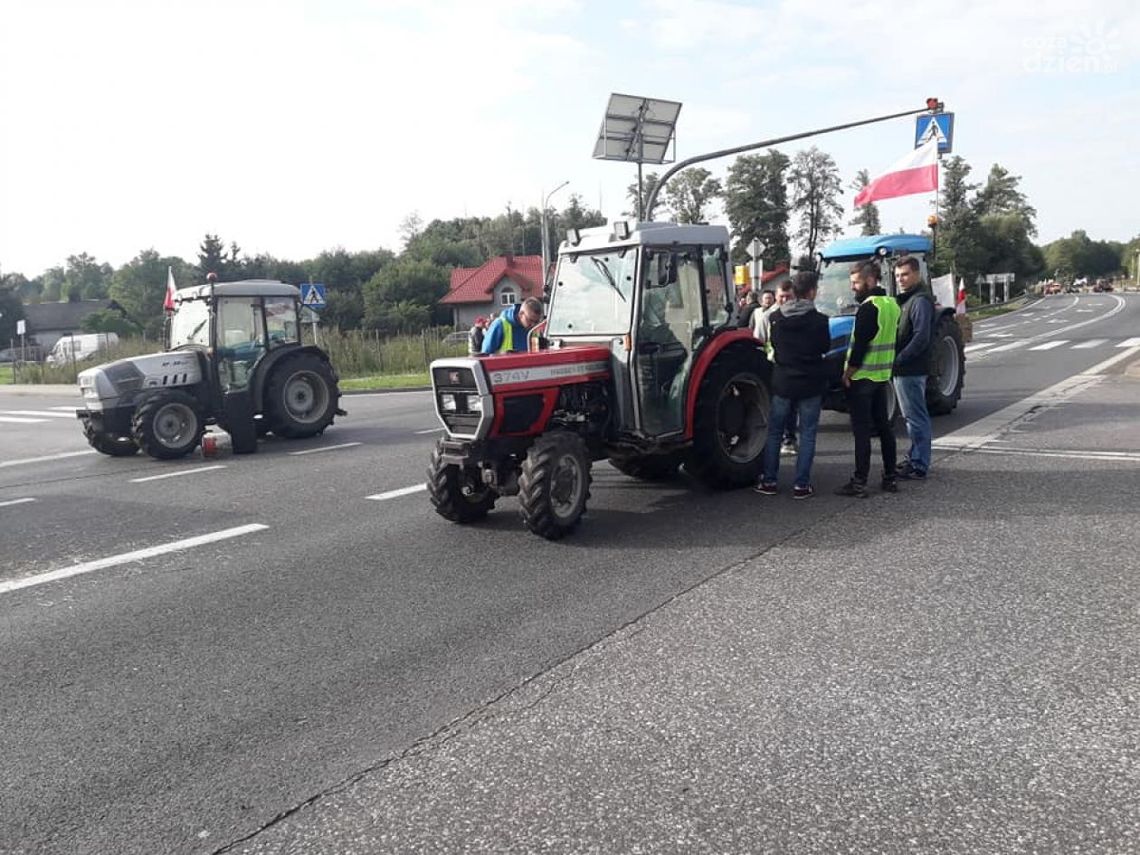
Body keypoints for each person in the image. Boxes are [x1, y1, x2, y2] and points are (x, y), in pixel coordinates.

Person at [754, 271, 831, 499]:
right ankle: (801, 485)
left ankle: (769, 481)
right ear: (811, 292)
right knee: (807, 433)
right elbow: (824, 347)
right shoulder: (820, 320)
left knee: (775, 432)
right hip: (810, 382)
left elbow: (774, 346)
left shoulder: (775, 318)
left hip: (783, 382)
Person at [836, 261, 901, 498]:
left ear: (870, 280)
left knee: (862, 432)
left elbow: (860, 346)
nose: (853, 287)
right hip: (882, 376)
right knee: (884, 427)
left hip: (862, 377)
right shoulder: (892, 305)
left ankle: (859, 481)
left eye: (856, 282)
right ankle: (890, 476)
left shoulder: (868, 307)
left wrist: (847, 374)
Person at [892, 256, 934, 480]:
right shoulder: (906, 299)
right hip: (905, 369)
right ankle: (914, 457)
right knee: (911, 417)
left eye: (905, 274)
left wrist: (899, 359)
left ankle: (919, 464)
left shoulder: (919, 301)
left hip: (911, 369)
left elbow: (921, 337)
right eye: (898, 275)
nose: (901, 279)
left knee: (916, 417)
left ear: (917, 274)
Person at [752, 280, 798, 454]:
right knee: (775, 406)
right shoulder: (767, 317)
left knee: (791, 407)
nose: (785, 300)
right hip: (773, 366)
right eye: (781, 297)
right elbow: (759, 341)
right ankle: (773, 440)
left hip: (792, 368)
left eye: (788, 297)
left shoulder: (798, 316)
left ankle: (789, 439)